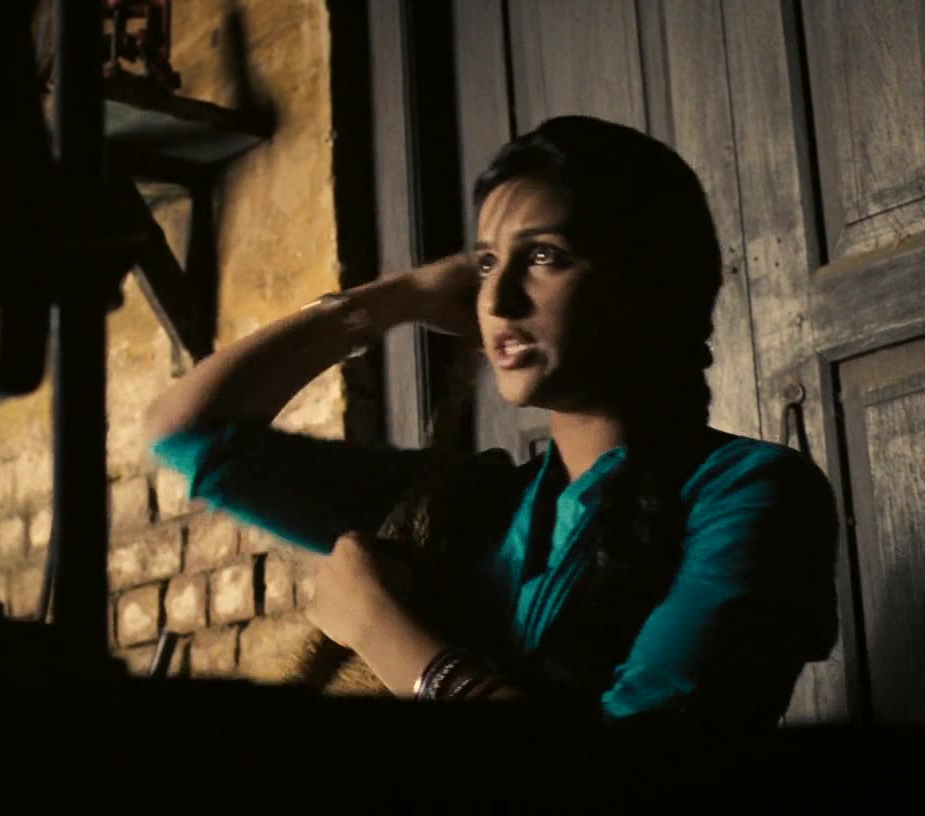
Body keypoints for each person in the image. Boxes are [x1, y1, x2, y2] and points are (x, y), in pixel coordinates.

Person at [143, 115, 840, 725]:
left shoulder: (750, 493)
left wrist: (382, 630)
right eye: (484, 265)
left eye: (544, 256)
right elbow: (189, 432)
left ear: (651, 285)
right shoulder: (465, 505)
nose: (498, 299)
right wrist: (399, 298)